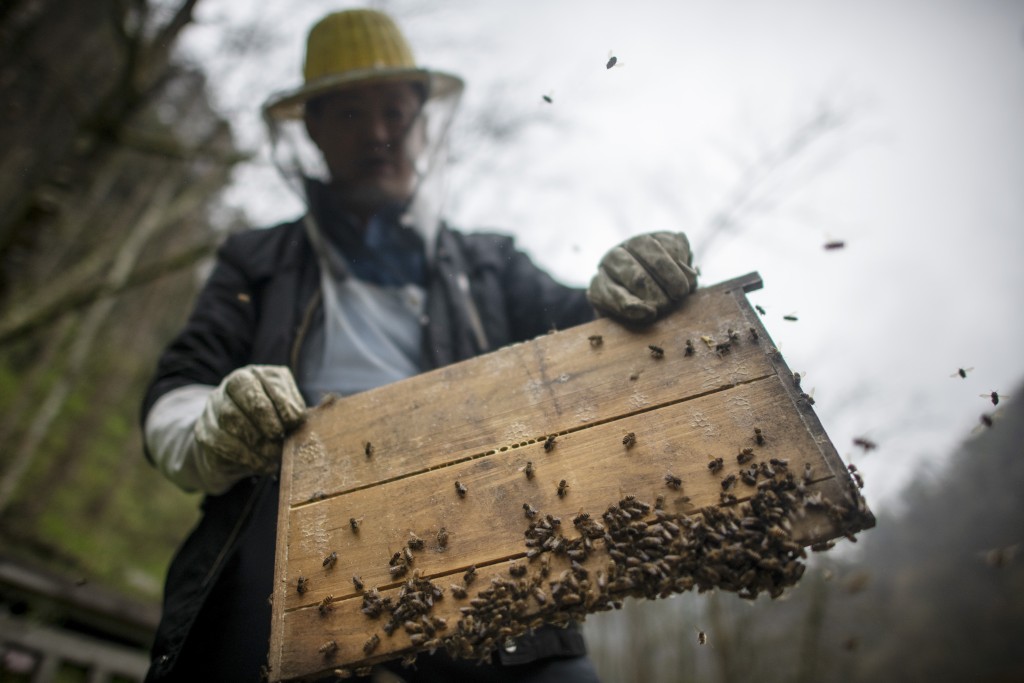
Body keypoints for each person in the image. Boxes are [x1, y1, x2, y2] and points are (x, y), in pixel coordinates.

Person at [140, 8, 698, 682]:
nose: (377, 134)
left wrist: (632, 281)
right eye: (349, 114)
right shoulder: (258, 259)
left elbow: (592, 330)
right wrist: (220, 428)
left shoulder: (489, 264)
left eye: (394, 111)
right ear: (313, 129)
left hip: (480, 527)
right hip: (287, 525)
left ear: (422, 119)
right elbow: (176, 392)